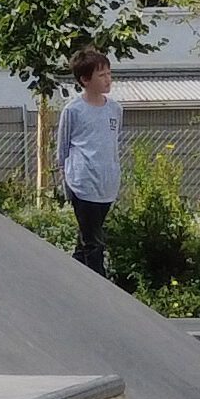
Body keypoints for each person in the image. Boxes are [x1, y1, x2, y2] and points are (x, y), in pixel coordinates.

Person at [56, 48, 122, 277]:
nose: (108, 79)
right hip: (82, 182)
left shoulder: (115, 109)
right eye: (101, 75)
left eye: (109, 74)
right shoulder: (73, 110)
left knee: (86, 240)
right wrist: (64, 180)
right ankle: (99, 284)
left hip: (107, 184)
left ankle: (71, 276)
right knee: (94, 241)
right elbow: (62, 147)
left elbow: (113, 144)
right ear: (85, 79)